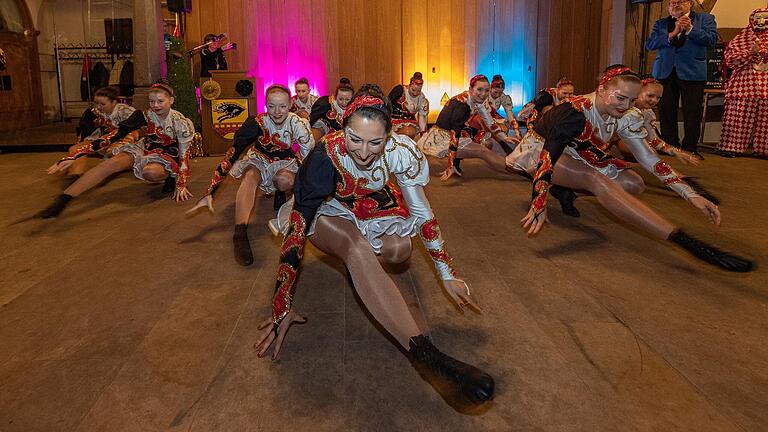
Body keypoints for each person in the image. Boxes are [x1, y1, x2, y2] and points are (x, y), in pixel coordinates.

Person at [254, 85, 494, 405]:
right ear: (344, 128)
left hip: (370, 206)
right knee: (356, 247)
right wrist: (280, 305)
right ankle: (428, 358)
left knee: (399, 252)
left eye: (375, 142)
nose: (364, 152)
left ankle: (367, 274)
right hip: (328, 211)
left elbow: (423, 214)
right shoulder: (324, 156)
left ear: (389, 137)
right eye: (355, 139)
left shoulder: (401, 151)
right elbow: (297, 231)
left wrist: (447, 273)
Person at [514, 65, 751, 272]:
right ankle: (688, 243)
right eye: (620, 98)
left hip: (579, 150)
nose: (626, 105)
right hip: (541, 151)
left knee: (634, 184)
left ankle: (566, 190)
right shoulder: (573, 113)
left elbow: (651, 160)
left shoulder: (626, 115)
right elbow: (548, 158)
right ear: (602, 90)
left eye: (631, 99)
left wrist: (692, 196)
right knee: (595, 179)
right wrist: (539, 201)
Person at [417, 74, 579, 216]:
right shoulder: (462, 105)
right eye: (479, 90)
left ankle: (528, 172)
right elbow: (454, 136)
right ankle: (528, 172)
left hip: (450, 136)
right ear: (470, 89)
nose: (483, 94)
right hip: (441, 139)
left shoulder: (476, 101)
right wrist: (450, 164)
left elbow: (489, 121)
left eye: (486, 90)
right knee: (484, 152)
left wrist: (503, 137)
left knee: (484, 151)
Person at [188, 85, 314, 266]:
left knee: (284, 180)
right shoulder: (256, 123)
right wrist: (211, 191)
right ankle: (240, 232)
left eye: (282, 106)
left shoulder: (298, 124)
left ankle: (280, 192)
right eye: (272, 106)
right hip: (259, 159)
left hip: (284, 162)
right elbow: (233, 153)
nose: (277, 112)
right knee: (249, 177)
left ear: (291, 104)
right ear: (266, 105)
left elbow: (309, 157)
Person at [38, 82, 195, 218]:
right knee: (112, 162)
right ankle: (64, 199)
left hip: (170, 154)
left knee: (151, 172)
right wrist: (75, 155)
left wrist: (181, 183)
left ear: (171, 101)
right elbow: (112, 136)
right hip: (146, 147)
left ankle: (170, 177)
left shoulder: (181, 123)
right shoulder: (143, 115)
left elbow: (184, 154)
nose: (155, 105)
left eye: (160, 101)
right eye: (152, 101)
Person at [645, 0, 718, 158]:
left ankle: (690, 148)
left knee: (692, 111)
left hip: (692, 71)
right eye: (671, 2)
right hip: (665, 71)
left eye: (680, 1)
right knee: (666, 110)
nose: (675, 5)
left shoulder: (705, 19)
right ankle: (670, 145)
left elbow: (712, 39)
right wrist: (672, 33)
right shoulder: (661, 23)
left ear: (690, 3)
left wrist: (690, 29)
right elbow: (650, 44)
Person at [717, 8, 768, 158]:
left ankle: (764, 150)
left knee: (766, 121)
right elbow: (731, 60)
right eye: (757, 18)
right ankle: (731, 146)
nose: (761, 22)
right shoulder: (741, 38)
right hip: (744, 86)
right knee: (738, 117)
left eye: (765, 18)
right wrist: (750, 53)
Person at [67, 86, 135, 177]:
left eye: (102, 104)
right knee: (76, 149)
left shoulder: (127, 112)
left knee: (113, 153)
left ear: (113, 102)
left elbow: (137, 131)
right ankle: (76, 174)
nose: (98, 107)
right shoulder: (95, 112)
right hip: (103, 141)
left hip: (125, 142)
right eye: (96, 103)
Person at [388, 72, 430, 140]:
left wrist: (422, 132)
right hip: (395, 121)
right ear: (410, 85)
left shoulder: (422, 99)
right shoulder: (400, 90)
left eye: (418, 91)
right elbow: (388, 104)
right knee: (408, 132)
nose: (415, 93)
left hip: (411, 123)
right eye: (413, 90)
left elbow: (422, 117)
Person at [488, 74, 522, 142]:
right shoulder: (484, 94)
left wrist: (517, 132)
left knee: (504, 127)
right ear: (491, 88)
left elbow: (510, 114)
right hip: (479, 115)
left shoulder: (503, 97)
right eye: (495, 92)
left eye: (500, 93)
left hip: (492, 115)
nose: (498, 95)